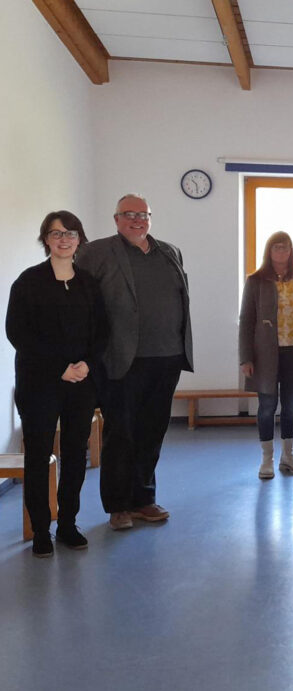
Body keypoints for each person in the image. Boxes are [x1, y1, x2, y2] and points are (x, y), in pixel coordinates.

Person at [76, 194, 193, 531]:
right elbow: (83, 304)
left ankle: (143, 498)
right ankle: (117, 506)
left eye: (143, 214)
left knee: (153, 431)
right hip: (122, 359)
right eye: (128, 214)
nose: (137, 220)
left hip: (168, 356)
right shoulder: (96, 252)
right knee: (121, 433)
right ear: (116, 219)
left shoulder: (169, 252)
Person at [6, 211, 106, 557]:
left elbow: (102, 332)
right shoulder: (28, 282)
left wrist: (86, 365)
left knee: (76, 454)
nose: (64, 239)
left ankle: (67, 524)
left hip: (81, 382)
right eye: (56, 234)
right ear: (46, 240)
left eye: (70, 233)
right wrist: (59, 367)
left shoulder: (89, 283)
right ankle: (40, 530)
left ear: (80, 239)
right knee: (38, 455)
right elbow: (18, 333)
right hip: (39, 383)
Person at [239, 232, 293, 480]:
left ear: (291, 251)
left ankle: (288, 456)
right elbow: (246, 321)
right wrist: (246, 358)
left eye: (285, 247)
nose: (281, 252)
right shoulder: (256, 281)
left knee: (290, 406)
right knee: (266, 406)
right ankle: (267, 458)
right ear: (269, 251)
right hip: (265, 354)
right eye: (276, 247)